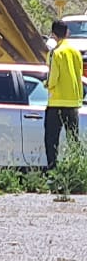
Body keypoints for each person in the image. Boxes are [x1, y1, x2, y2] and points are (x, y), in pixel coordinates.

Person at [48, 18, 84, 169]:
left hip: (57, 102)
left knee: (51, 140)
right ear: (67, 33)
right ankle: (78, 169)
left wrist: (47, 85)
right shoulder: (76, 52)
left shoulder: (55, 53)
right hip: (74, 102)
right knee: (73, 139)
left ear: (53, 34)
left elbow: (52, 78)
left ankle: (52, 171)